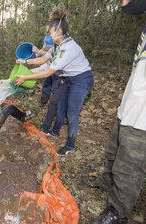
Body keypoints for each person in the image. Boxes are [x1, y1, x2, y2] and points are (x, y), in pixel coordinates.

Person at [82, 1, 146, 223]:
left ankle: (116, 211)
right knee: (114, 151)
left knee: (128, 166)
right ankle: (107, 180)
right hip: (129, 106)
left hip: (143, 117)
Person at [15, 9, 94, 156]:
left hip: (82, 79)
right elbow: (43, 61)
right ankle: (54, 132)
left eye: (49, 33)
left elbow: (48, 72)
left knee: (71, 114)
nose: (47, 36)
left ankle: (70, 145)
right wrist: (25, 63)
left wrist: (25, 77)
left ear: (59, 31)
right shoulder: (56, 46)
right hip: (67, 79)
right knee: (60, 106)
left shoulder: (68, 48)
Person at [32, 25, 60, 106]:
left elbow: (53, 55)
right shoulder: (47, 38)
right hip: (49, 65)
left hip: (57, 67)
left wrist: (39, 52)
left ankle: (56, 106)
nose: (47, 34)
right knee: (47, 83)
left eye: (49, 32)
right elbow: (44, 50)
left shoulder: (58, 40)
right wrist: (37, 54)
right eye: (46, 32)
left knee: (56, 86)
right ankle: (43, 101)